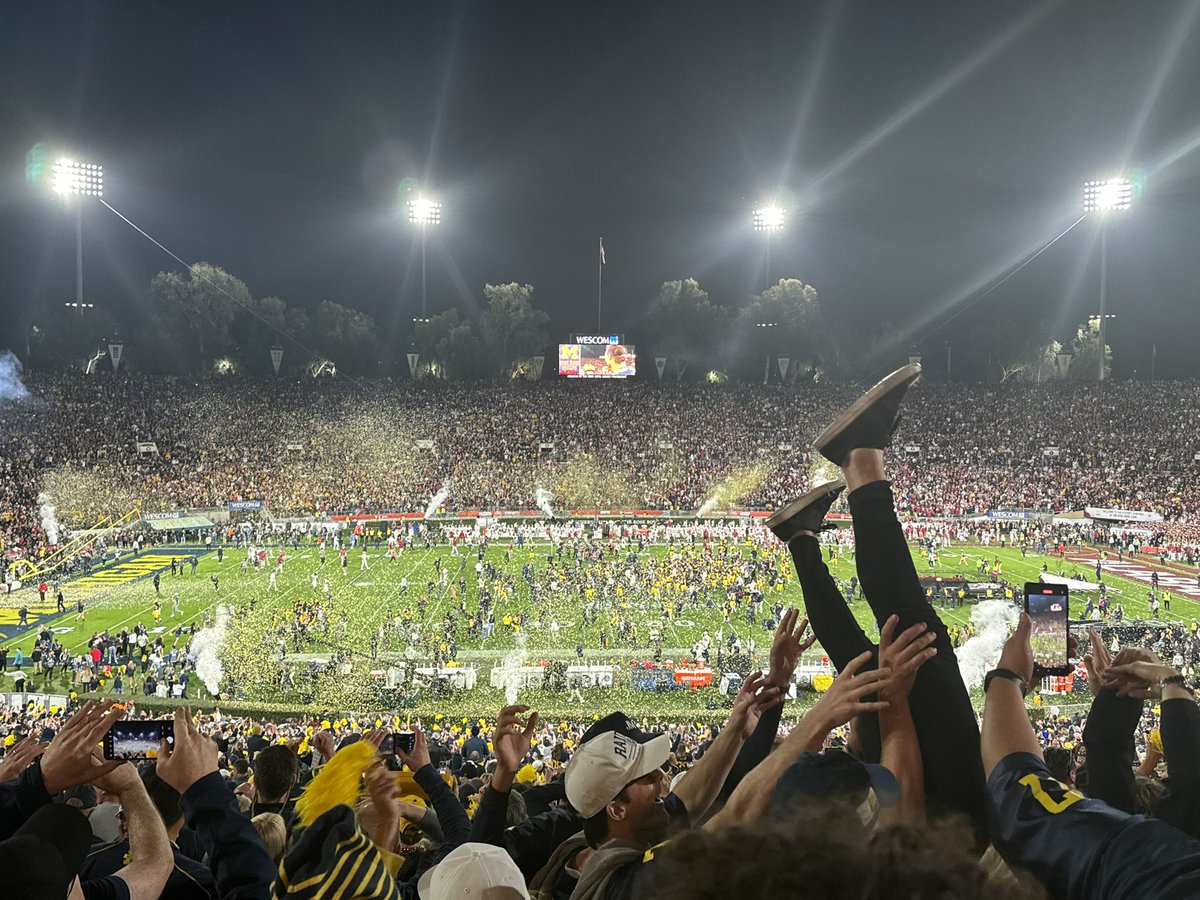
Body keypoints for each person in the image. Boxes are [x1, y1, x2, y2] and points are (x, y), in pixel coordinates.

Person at [765, 363, 987, 838]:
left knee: (910, 630)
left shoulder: (883, 861)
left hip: (946, 804)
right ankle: (802, 536)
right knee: (876, 652)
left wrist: (897, 702)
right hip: (934, 805)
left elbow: (904, 823)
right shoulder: (877, 864)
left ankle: (861, 462)